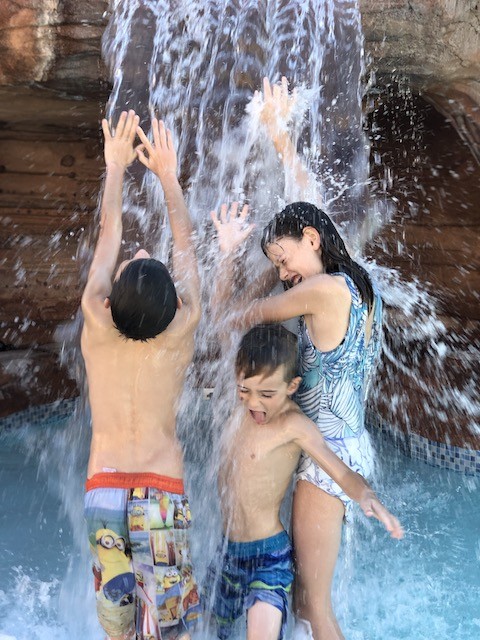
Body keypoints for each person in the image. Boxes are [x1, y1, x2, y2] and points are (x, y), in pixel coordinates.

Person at [209, 77, 389, 640]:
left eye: (283, 257)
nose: (283, 270)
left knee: (313, 606)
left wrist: (229, 261)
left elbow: (240, 318)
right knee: (308, 599)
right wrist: (279, 137)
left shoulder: (323, 291)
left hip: (327, 455)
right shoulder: (351, 278)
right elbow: (318, 208)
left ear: (311, 240)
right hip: (343, 444)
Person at [81, 110, 201, 640]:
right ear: (173, 304)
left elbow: (112, 231)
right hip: (159, 491)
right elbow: (187, 248)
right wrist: (169, 180)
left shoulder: (95, 319)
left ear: (113, 296)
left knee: (117, 622)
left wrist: (115, 167)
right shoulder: (182, 328)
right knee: (165, 625)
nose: (139, 251)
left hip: (104, 492)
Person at [207, 324, 402, 640]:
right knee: (219, 632)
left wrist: (366, 495)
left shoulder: (293, 425)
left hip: (268, 556)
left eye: (267, 393)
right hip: (227, 552)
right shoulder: (239, 410)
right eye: (244, 389)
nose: (254, 402)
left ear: (292, 386)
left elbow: (338, 470)